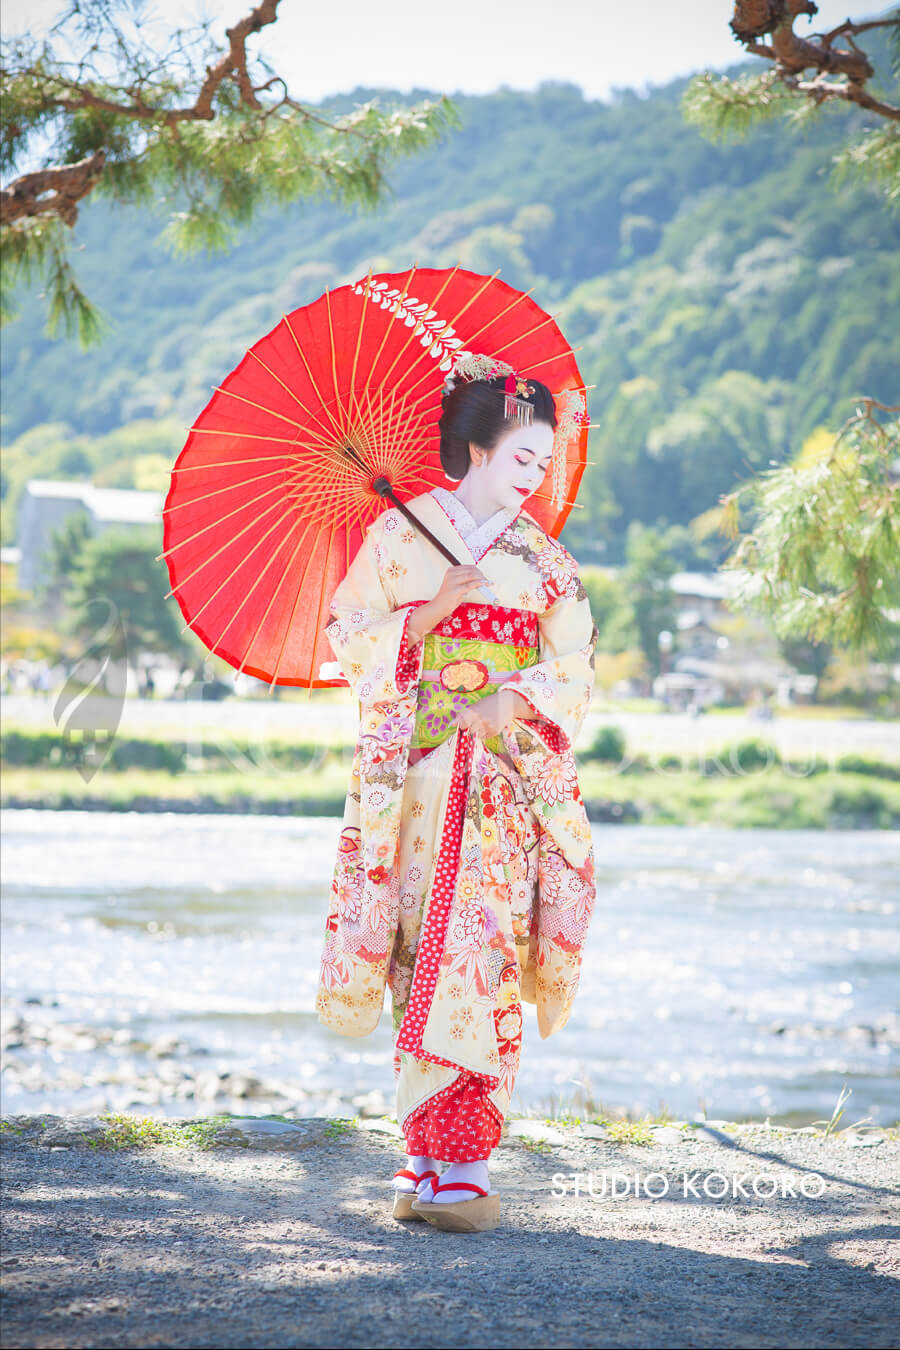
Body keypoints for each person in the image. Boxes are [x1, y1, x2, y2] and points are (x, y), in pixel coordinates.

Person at [316, 357, 598, 1233]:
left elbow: (575, 666)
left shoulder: (544, 561)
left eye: (546, 460)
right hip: (415, 777)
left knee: (480, 952)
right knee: (410, 948)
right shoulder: (400, 542)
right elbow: (346, 634)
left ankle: (463, 1163)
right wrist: (429, 615)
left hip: (502, 782)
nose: (538, 474)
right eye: (523, 457)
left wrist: (513, 696)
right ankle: (424, 1157)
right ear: (474, 448)